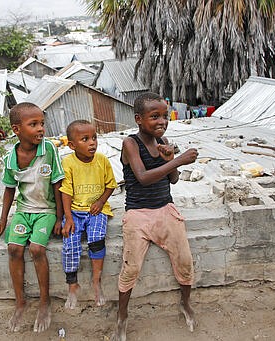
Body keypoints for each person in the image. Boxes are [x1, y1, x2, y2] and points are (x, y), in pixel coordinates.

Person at [113, 92, 199, 340]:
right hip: (138, 213)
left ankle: (185, 303)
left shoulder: (164, 141)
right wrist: (179, 160)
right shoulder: (130, 143)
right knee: (131, 268)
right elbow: (143, 177)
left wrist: (170, 160)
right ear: (139, 119)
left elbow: (171, 179)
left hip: (164, 208)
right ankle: (122, 315)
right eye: (154, 117)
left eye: (164, 116)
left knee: (184, 260)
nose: (162, 121)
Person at [0, 102, 64, 333]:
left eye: (42, 123)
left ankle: (44, 301)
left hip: (46, 212)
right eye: (34, 124)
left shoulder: (49, 150)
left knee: (37, 250)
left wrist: (60, 219)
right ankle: (20, 301)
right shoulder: (11, 157)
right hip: (23, 212)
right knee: (14, 249)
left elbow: (58, 185)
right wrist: (3, 220)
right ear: (16, 130)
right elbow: (9, 189)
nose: (41, 128)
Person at [59, 119, 117, 309]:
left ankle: (96, 281)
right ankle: (72, 284)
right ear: (72, 145)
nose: (92, 142)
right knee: (70, 242)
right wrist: (67, 217)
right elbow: (65, 191)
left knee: (96, 238)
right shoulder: (68, 163)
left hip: (96, 210)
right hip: (75, 211)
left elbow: (110, 185)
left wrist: (100, 202)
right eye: (85, 139)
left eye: (94, 137)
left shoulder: (102, 160)